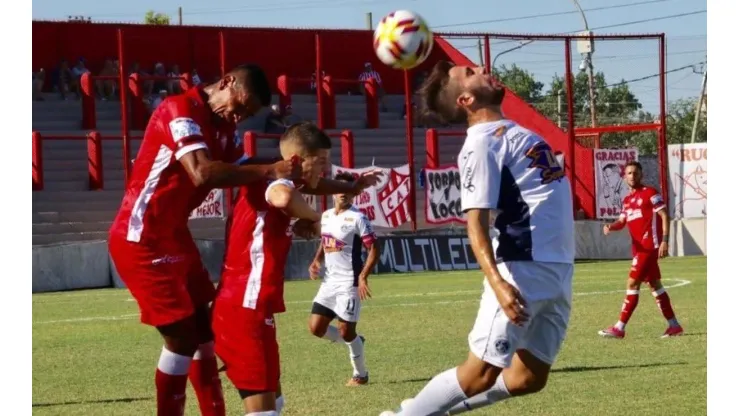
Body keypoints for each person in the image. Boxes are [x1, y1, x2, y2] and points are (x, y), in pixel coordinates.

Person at [381, 61, 575, 416]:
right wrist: (498, 283)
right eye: (470, 71)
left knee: (528, 378)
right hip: (522, 269)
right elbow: (477, 223)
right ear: (466, 99)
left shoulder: (513, 132)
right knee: (479, 374)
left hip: (559, 268)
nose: (482, 67)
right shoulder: (481, 145)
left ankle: (433, 411)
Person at [108, 63, 302, 416]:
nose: (239, 116)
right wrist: (272, 169)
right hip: (141, 237)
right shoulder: (179, 110)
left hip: (175, 237)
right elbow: (201, 172)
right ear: (226, 82)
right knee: (183, 338)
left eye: (246, 114)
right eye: (240, 106)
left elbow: (244, 167)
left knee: (204, 334)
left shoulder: (221, 128)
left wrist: (295, 167)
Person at [212, 122, 383, 416]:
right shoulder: (276, 182)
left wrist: (352, 187)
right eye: (319, 163)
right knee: (263, 410)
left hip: (254, 303)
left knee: (275, 403)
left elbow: (314, 186)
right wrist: (317, 219)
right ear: (294, 161)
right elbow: (284, 197)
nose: (324, 171)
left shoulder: (289, 179)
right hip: (245, 304)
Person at [307, 171, 380, 387]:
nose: (343, 194)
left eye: (348, 190)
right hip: (329, 282)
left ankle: (361, 375)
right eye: (339, 189)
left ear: (353, 195)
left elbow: (374, 248)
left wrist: (363, 276)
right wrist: (316, 260)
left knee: (346, 331)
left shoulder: (358, 218)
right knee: (315, 328)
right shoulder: (327, 215)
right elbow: (325, 240)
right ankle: (356, 341)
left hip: (349, 282)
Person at [598, 161, 683, 339]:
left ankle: (619, 327)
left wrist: (665, 241)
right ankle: (674, 325)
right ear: (625, 176)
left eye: (635, 173)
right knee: (654, 285)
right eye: (629, 173)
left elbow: (664, 215)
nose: (632, 176)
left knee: (631, 283)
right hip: (638, 249)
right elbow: (621, 222)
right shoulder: (627, 201)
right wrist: (610, 227)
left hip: (649, 247)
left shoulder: (651, 193)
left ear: (641, 175)